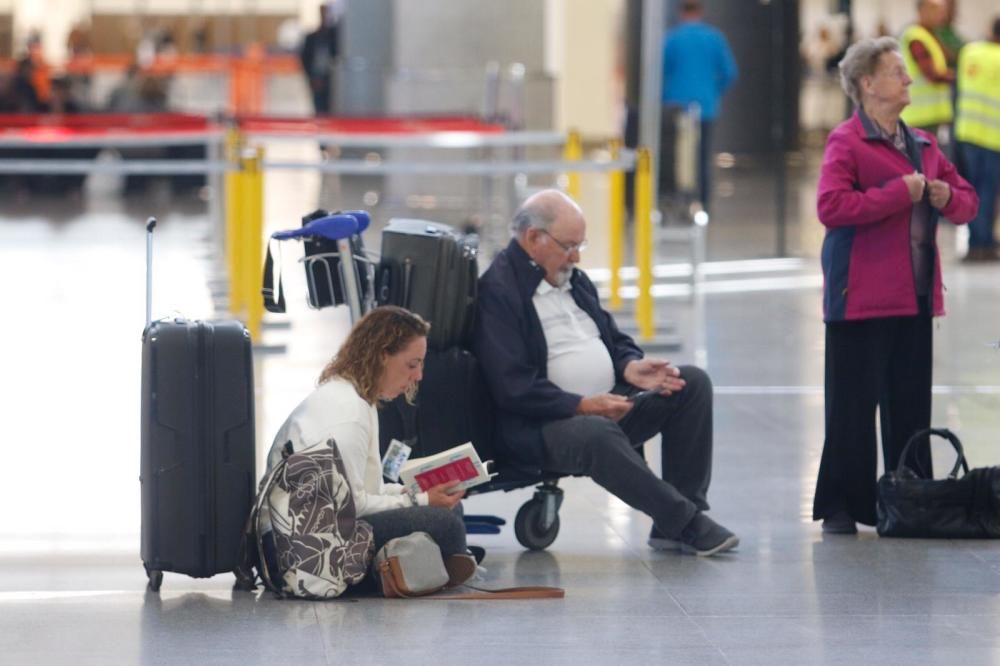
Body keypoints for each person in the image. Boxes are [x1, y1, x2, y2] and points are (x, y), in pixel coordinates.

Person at [473, 189, 738, 557]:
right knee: (596, 433)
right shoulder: (498, 293)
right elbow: (513, 388)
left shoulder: (572, 279)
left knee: (689, 383)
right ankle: (686, 522)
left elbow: (614, 337)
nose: (577, 256)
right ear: (534, 238)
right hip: (543, 427)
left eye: (580, 245)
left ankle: (671, 525)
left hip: (607, 405)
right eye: (569, 246)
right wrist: (582, 405)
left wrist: (630, 365)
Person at [813, 37, 978, 533]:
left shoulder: (925, 146)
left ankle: (910, 499)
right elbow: (831, 208)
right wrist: (895, 194)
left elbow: (967, 203)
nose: (908, 79)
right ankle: (844, 505)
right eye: (897, 71)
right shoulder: (847, 142)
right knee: (852, 407)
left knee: (910, 405)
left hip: (915, 295)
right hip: (858, 297)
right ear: (868, 84)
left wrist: (946, 195)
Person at [267, 306, 475, 581]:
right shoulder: (348, 415)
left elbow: (363, 490)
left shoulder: (356, 397)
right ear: (381, 356)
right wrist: (421, 499)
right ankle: (432, 571)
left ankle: (430, 569)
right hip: (300, 550)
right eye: (412, 365)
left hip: (308, 532)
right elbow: (354, 506)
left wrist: (409, 492)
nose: (418, 376)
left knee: (449, 509)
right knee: (445, 524)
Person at [660, 0, 737, 212]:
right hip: (706, 107)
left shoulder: (673, 39)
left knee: (678, 156)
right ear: (700, 11)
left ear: (681, 12)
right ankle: (703, 202)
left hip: (677, 107)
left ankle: (678, 198)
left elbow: (660, 72)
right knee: (703, 156)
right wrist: (713, 91)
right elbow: (730, 72)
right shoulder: (714, 38)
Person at [954, 17, 1000, 262]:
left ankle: (978, 241)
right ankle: (982, 244)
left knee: (971, 189)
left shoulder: (969, 51)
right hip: (994, 137)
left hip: (967, 131)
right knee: (988, 192)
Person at [899, 0, 955, 138]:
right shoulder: (916, 38)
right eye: (935, 9)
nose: (941, 14)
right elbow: (931, 75)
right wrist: (957, 78)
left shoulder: (930, 34)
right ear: (922, 11)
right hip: (920, 117)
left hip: (929, 116)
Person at [299, 1, 341, 116]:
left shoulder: (334, 37)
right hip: (317, 78)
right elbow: (305, 58)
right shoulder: (312, 38)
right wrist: (311, 77)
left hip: (332, 79)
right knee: (320, 109)